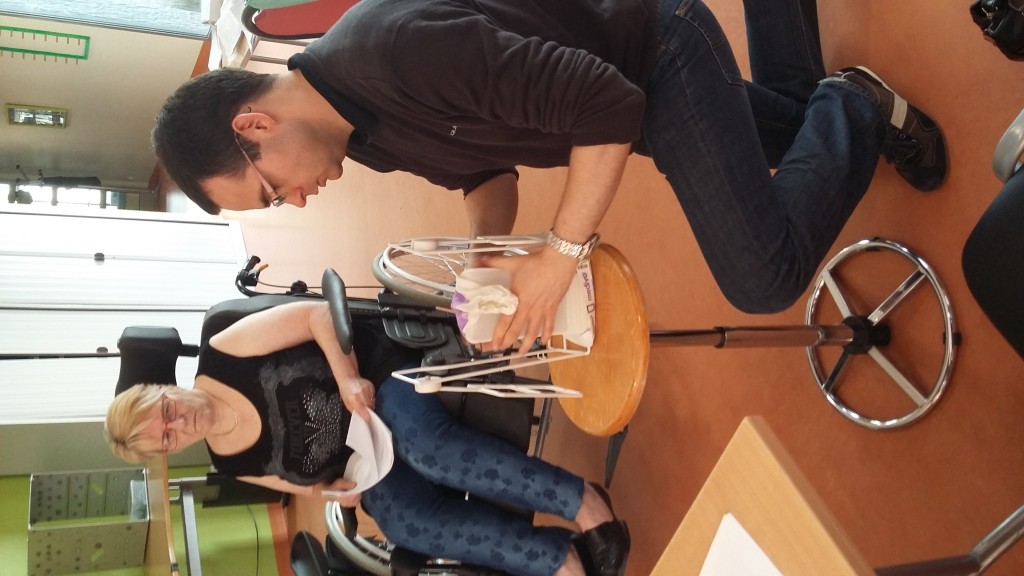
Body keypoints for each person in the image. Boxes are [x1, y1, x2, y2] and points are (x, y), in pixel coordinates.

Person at [152, 0, 947, 354]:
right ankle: (829, 106)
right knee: (791, 132)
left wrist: (559, 254)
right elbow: (481, 169)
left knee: (761, 276)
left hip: (653, 54)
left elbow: (608, 106)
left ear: (253, 127)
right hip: (611, 96)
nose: (294, 201)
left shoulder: (393, 51)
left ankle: (856, 100)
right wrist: (488, 257)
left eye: (271, 191)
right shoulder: (355, 137)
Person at [104, 300, 629, 576]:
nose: (179, 425)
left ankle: (582, 503)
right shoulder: (228, 462)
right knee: (408, 524)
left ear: (164, 388)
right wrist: (333, 491)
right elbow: (302, 487)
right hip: (365, 459)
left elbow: (316, 315)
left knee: (430, 451)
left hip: (377, 381)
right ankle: (556, 560)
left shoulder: (224, 352)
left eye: (166, 411)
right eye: (167, 438)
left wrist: (347, 378)